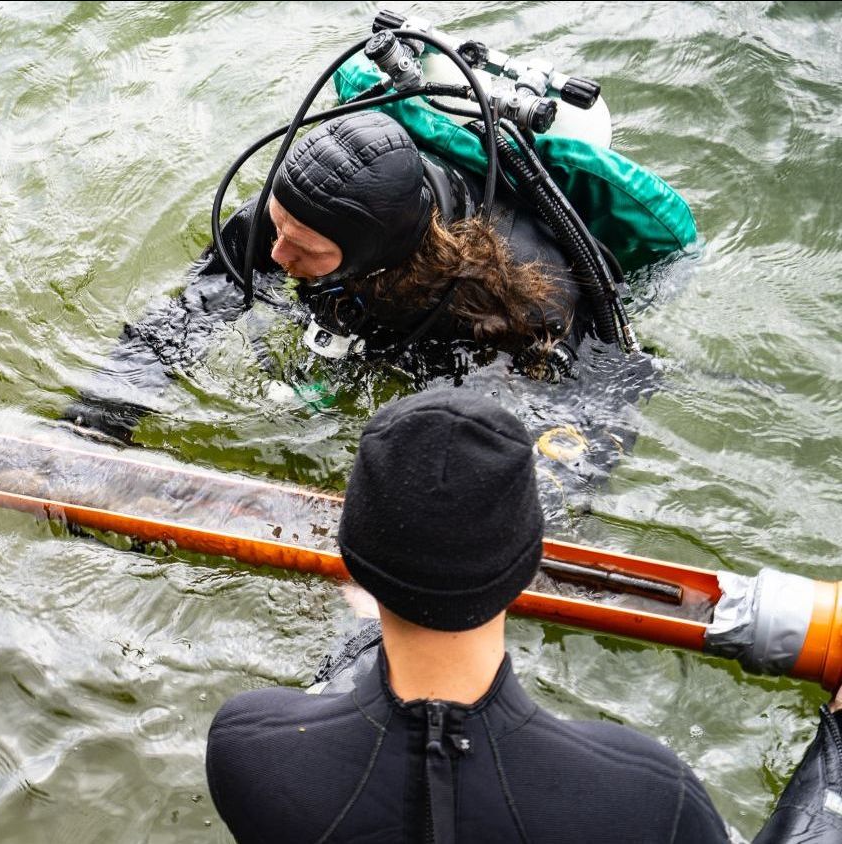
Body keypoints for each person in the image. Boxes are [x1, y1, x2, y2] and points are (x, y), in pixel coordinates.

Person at [204, 389, 842, 843]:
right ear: (528, 566)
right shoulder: (648, 795)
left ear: (353, 564)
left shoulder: (246, 748)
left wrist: (372, 626)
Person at [68, 111, 588, 444]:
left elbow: (586, 409)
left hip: (455, 328)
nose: (275, 252)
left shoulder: (523, 300)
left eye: (304, 249)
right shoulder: (294, 216)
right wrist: (98, 418)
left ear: (372, 255)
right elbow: (192, 310)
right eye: (277, 226)